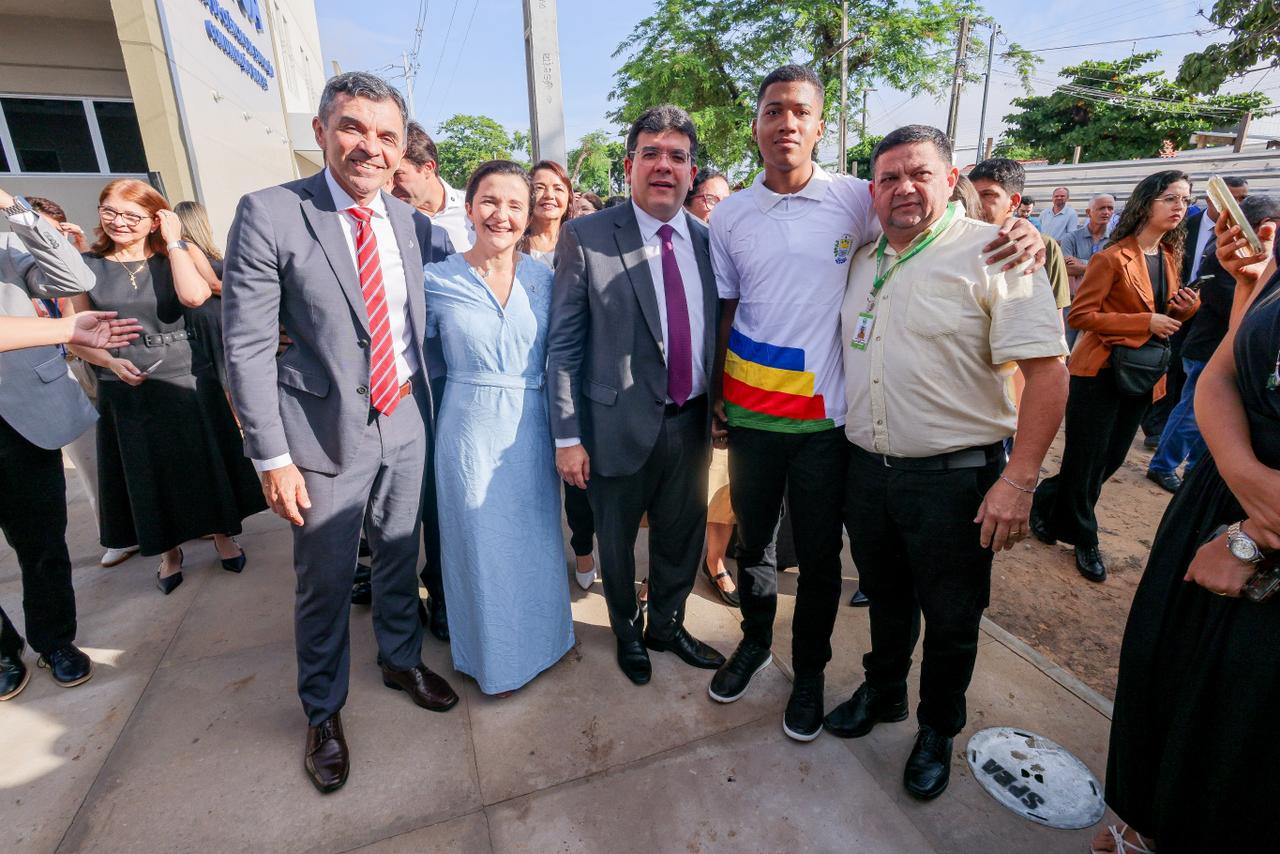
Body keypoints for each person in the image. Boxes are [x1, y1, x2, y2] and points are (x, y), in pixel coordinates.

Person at [706, 66, 1044, 741]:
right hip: (751, 414)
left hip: (829, 423)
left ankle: (809, 675)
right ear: (756, 124)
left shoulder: (853, 197)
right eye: (773, 111)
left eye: (801, 111)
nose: (786, 123)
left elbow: (931, 216)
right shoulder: (730, 214)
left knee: (821, 561)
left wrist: (1022, 231)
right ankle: (755, 642)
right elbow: (728, 307)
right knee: (755, 543)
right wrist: (718, 394)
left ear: (820, 125)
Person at [222, 71, 459, 794]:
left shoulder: (414, 224)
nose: (369, 147)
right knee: (324, 579)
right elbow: (246, 348)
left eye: (386, 135)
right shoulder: (270, 212)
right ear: (322, 131)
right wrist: (272, 456)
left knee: (399, 553)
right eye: (353, 127)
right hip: (320, 435)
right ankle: (322, 712)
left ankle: (399, 658)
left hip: (406, 418)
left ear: (402, 149)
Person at [826, 124, 1068, 800]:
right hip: (868, 472)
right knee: (886, 599)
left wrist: (1019, 480)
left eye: (919, 174)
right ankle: (884, 692)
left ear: (951, 178)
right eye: (889, 178)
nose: (903, 188)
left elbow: (1049, 375)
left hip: (956, 481)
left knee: (953, 617)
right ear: (872, 190)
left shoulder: (996, 252)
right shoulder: (862, 259)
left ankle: (937, 729)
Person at [1098, 214, 1280, 853]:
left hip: (1256, 533)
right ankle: (1142, 824)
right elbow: (1223, 375)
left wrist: (1255, 534)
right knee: (1169, 668)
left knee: (1241, 723)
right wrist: (1251, 283)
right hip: (1225, 499)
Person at [548, 104, 727, 686]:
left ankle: (667, 625)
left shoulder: (710, 241)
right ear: (629, 166)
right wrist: (567, 436)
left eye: (677, 156)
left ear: (692, 171)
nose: (663, 166)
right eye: (651, 153)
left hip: (690, 422)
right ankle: (627, 630)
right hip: (614, 425)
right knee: (618, 542)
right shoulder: (586, 236)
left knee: (681, 535)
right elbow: (564, 346)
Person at [64, 179, 262, 594]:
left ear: (156, 219)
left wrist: (173, 242)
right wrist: (110, 363)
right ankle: (169, 552)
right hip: (124, 378)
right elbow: (74, 334)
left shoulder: (180, 252)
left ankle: (223, 535)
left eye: (132, 215)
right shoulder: (84, 265)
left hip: (186, 371)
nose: (119, 222)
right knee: (148, 471)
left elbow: (194, 297)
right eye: (109, 211)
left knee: (204, 460)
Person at [426, 160, 574, 695]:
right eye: (490, 201)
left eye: (515, 204)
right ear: (468, 208)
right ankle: (494, 660)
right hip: (468, 429)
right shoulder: (435, 281)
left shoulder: (546, 280)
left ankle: (546, 642)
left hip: (530, 428)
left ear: (529, 215)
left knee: (535, 541)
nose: (502, 215)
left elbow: (568, 352)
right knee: (481, 545)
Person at [1031, 171, 1202, 583]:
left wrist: (1185, 308)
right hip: (1099, 372)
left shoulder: (1169, 256)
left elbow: (1166, 315)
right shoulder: (1111, 257)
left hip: (1144, 373)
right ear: (1145, 204)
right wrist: (1145, 322)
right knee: (1085, 459)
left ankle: (1046, 500)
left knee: (1108, 461)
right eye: (1170, 198)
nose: (1179, 207)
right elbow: (1082, 315)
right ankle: (1084, 537)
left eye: (1184, 199)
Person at [0, 188, 115, 699]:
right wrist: (68, 328)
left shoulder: (9, 245)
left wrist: (15, 210)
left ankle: (54, 641)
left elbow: (75, 279)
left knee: (42, 543)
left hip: (24, 418)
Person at [1145, 194, 1277, 494]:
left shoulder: (1255, 259)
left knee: (1212, 419)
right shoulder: (1228, 255)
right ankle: (1163, 465)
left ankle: (1193, 470)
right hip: (1208, 349)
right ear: (1265, 225)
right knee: (1192, 414)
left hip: (1222, 350)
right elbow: (1224, 303)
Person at [682, 166, 740, 608]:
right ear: (689, 202)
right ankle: (663, 571)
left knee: (722, 485)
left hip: (726, 384)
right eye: (710, 200)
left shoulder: (736, 248)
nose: (718, 210)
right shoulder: (672, 248)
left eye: (726, 200)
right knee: (676, 490)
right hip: (679, 390)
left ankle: (715, 561)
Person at [968, 158, 1071, 312]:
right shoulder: (962, 240)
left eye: (987, 195)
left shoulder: (1043, 246)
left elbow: (1056, 313)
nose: (975, 204)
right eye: (973, 196)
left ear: (1014, 201)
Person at [390, 120, 474, 251]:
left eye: (397, 174)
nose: (390, 185)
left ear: (428, 168)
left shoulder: (475, 210)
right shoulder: (388, 219)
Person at [173, 201, 230, 388]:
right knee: (225, 373)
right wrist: (247, 294)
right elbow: (213, 284)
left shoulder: (194, 248)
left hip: (211, 314)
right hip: (209, 316)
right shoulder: (188, 246)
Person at [1061, 194, 1116, 345]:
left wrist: (1081, 263)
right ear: (1088, 212)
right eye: (1101, 208)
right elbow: (1067, 269)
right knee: (1067, 345)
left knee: (1096, 348)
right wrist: (1101, 267)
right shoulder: (1071, 238)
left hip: (1104, 302)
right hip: (1073, 301)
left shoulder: (1116, 239)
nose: (1106, 212)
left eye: (1110, 208)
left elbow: (1114, 271)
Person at [524, 159, 574, 269]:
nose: (549, 195)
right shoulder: (512, 245)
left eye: (558, 189)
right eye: (539, 188)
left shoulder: (580, 244)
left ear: (569, 198)